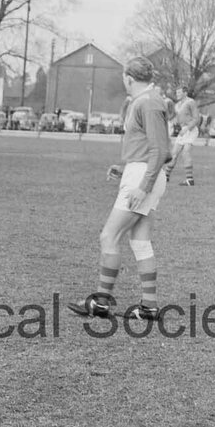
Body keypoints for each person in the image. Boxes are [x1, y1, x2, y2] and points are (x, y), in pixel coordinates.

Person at [69, 56, 171, 322]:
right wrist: (126, 169)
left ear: (128, 78)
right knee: (139, 240)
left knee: (108, 237)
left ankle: (101, 303)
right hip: (141, 172)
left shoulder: (148, 102)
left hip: (144, 177)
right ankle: (149, 307)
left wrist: (142, 185)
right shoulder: (146, 100)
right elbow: (151, 149)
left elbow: (161, 150)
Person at [163, 85, 199, 186]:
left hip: (190, 130)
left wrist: (187, 128)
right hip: (183, 131)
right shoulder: (177, 105)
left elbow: (196, 118)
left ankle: (190, 180)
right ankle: (166, 177)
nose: (177, 94)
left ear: (185, 93)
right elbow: (173, 117)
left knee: (185, 153)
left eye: (179, 92)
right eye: (177, 92)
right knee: (173, 154)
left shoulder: (191, 102)